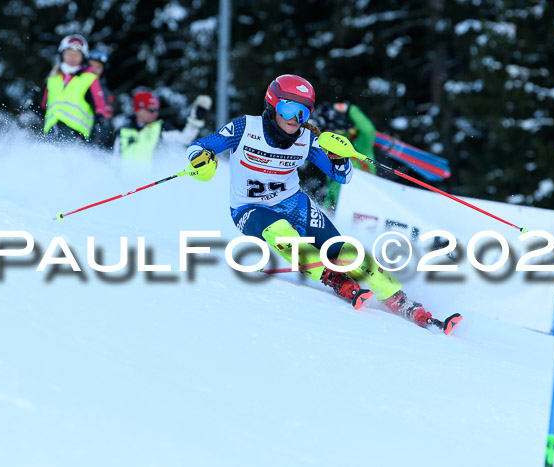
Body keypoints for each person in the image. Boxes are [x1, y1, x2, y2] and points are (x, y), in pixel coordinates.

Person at [183, 74, 435, 328]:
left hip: (293, 203)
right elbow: (200, 145)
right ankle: (332, 277)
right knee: (279, 230)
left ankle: (399, 299)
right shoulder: (245, 128)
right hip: (250, 208)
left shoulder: (308, 139)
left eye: (302, 113)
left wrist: (340, 158)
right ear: (272, 106)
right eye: (288, 109)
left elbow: (342, 176)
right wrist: (200, 159)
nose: (295, 119)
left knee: (342, 249)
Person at [307, 101, 377, 212]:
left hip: (365, 206)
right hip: (343, 210)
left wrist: (350, 109)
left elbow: (368, 131)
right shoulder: (331, 156)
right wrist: (327, 211)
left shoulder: (360, 146)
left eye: (332, 132)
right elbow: (332, 189)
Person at [41, 34, 111, 143]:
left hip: (76, 133)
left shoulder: (90, 78)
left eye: (77, 54)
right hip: (51, 131)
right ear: (62, 55)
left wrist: (99, 124)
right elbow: (45, 108)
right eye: (69, 53)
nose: (72, 58)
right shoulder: (53, 79)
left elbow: (99, 106)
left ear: (83, 58)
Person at [114, 90, 212, 164]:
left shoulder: (160, 129)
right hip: (126, 187)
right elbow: (114, 159)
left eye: (157, 110)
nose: (155, 114)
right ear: (139, 110)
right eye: (151, 109)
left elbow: (185, 138)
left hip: (149, 186)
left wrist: (195, 120)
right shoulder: (123, 130)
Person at [88, 49, 115, 149]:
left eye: (98, 67)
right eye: (91, 66)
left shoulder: (105, 94)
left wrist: (95, 144)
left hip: (91, 140)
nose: (93, 70)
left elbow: (105, 123)